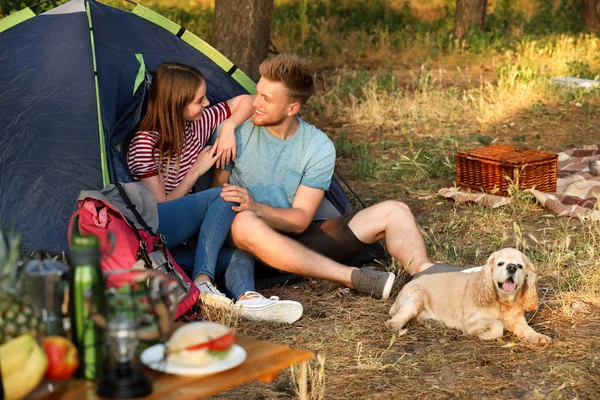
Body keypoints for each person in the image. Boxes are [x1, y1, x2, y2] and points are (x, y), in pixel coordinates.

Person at [213, 54, 469, 300]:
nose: (255, 102)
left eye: (266, 99)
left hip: (296, 236)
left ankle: (425, 274)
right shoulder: (237, 133)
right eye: (258, 92)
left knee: (396, 210)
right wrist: (228, 128)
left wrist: (257, 206)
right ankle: (353, 277)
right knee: (243, 221)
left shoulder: (317, 146)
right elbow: (215, 199)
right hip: (249, 242)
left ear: (292, 108)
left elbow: (301, 220)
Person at [126, 62, 302, 323]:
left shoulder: (196, 124)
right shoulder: (145, 143)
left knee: (237, 253)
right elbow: (160, 208)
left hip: (170, 252)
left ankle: (248, 299)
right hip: (154, 233)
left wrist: (229, 127)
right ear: (177, 104)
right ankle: (203, 280)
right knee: (225, 194)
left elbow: (247, 100)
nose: (207, 103)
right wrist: (195, 172)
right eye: (199, 100)